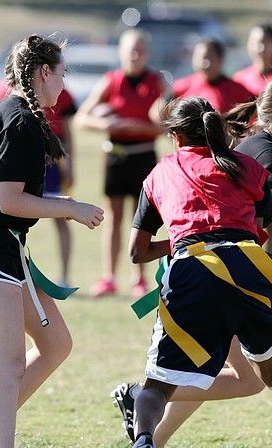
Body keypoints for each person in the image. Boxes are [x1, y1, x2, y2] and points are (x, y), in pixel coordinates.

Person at [112, 77, 272, 448]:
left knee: (159, 383)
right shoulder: (251, 163)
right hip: (248, 267)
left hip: (193, 270)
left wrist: (188, 240)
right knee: (271, 372)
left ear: (174, 137)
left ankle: (144, 441)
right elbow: (268, 220)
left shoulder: (159, 174)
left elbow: (136, 252)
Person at [0, 35, 104, 448]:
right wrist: (69, 209)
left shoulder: (18, 113)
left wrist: (64, 206)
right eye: (62, 74)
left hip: (2, 242)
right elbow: (9, 200)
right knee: (9, 364)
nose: (64, 86)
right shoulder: (20, 121)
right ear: (43, 72)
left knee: (56, 343)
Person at [75, 28, 165, 298]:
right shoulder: (111, 81)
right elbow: (82, 118)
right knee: (113, 217)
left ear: (146, 53)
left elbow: (165, 124)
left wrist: (139, 126)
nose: (135, 55)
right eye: (130, 50)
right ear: (121, 52)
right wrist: (108, 123)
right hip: (116, 155)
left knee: (144, 218)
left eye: (140, 50)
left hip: (144, 155)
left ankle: (139, 278)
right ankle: (109, 277)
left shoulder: (156, 82)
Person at [0, 79, 78, 287]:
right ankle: (13, 272)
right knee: (15, 215)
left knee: (61, 216)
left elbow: (67, 132)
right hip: (20, 160)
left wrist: (69, 163)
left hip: (53, 161)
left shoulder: (61, 94)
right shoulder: (5, 91)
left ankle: (64, 275)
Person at [232, 22, 272, 257]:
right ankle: (255, 268)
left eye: (266, 41)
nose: (261, 47)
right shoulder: (239, 79)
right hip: (245, 157)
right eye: (256, 41)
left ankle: (270, 272)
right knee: (254, 220)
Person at [168, 39, 253, 114]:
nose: (206, 64)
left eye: (211, 58)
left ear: (221, 60)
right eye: (202, 58)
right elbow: (158, 111)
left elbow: (254, 117)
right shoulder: (181, 86)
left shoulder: (238, 90)